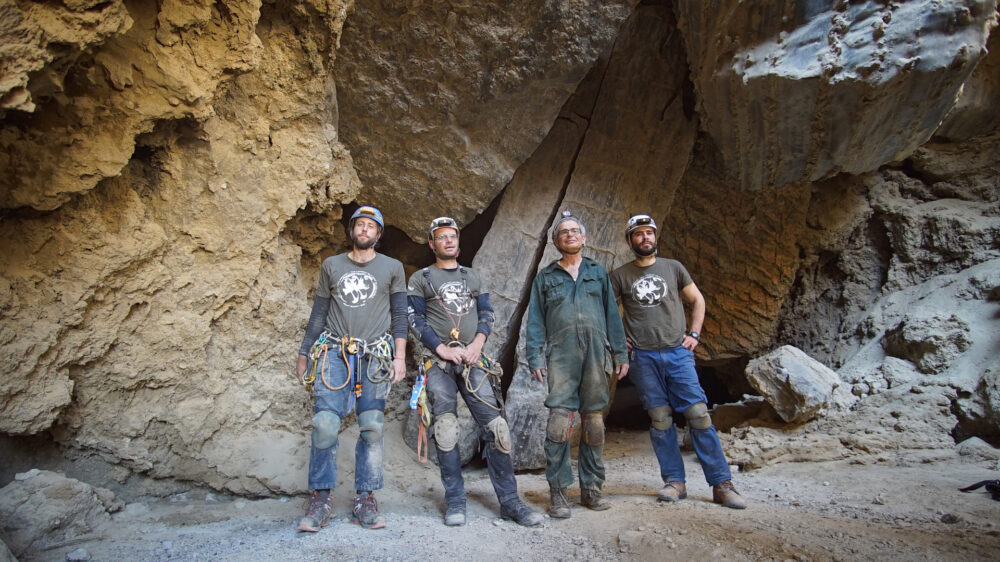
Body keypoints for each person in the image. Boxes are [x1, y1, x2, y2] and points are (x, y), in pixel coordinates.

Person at [407, 217, 542, 527]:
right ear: (432, 244)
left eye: (452, 236)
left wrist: (477, 345)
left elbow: (487, 313)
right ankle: (455, 500)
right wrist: (441, 349)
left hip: (472, 360)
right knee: (446, 430)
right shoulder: (421, 278)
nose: (448, 241)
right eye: (441, 237)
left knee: (497, 429)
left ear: (458, 241)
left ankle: (510, 502)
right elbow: (415, 319)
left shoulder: (473, 277)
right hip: (439, 363)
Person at [610, 214, 746, 509]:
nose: (645, 238)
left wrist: (694, 334)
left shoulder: (673, 268)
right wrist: (620, 340)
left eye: (649, 233)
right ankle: (675, 482)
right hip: (643, 357)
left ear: (655, 237)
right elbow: (607, 312)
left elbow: (697, 300)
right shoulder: (620, 275)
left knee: (698, 413)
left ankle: (721, 484)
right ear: (630, 241)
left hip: (677, 352)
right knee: (660, 418)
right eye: (638, 234)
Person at [295, 205, 409, 532]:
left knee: (372, 425)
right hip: (333, 351)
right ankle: (320, 498)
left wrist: (399, 357)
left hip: (375, 354)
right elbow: (319, 314)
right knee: (325, 424)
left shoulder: (392, 267)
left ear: (379, 234)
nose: (364, 230)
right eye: (359, 225)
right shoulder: (332, 265)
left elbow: (400, 316)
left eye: (370, 226)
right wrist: (305, 353)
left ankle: (365, 498)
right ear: (352, 231)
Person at [525, 210, 629, 519]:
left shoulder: (598, 273)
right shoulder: (546, 277)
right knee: (558, 422)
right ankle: (558, 492)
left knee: (594, 421)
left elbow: (613, 315)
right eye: (563, 232)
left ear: (583, 238)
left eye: (574, 231)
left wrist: (621, 353)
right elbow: (535, 320)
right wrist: (534, 356)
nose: (569, 235)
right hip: (561, 355)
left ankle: (591, 489)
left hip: (597, 354)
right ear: (556, 241)